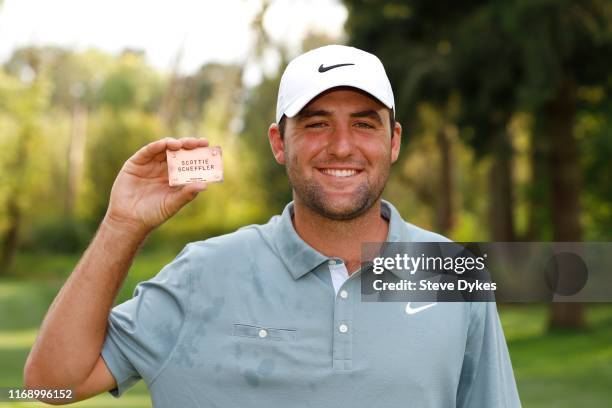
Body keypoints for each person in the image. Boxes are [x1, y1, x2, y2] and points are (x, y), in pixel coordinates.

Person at [24, 45, 521, 407]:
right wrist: (120, 224)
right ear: (279, 143)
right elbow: (50, 385)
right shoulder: (203, 272)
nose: (342, 146)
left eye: (365, 123)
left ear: (393, 142)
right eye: (316, 122)